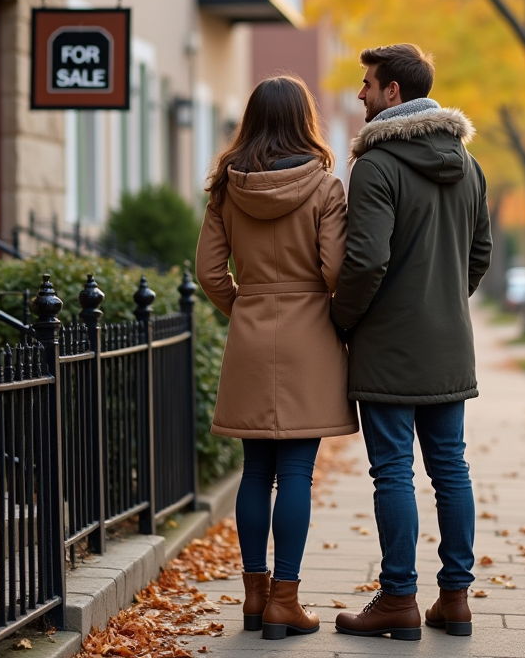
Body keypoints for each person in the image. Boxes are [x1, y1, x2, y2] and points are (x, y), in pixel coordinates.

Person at [331, 44, 492, 641]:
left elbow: (366, 260)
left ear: (393, 91)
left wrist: (343, 320)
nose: (361, 94)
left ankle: (398, 599)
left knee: (393, 470)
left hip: (389, 347)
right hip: (449, 344)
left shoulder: (376, 165)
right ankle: (455, 600)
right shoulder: (468, 165)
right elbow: (481, 254)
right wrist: (446, 301)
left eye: (368, 84)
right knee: (450, 467)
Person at [196, 75, 358, 641]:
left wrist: (244, 306)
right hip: (308, 335)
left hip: (250, 330)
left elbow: (209, 273)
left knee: (255, 470)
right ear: (304, 120)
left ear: (252, 119)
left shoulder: (224, 188)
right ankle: (286, 602)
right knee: (295, 472)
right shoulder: (324, 187)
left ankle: (254, 596)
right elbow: (338, 270)